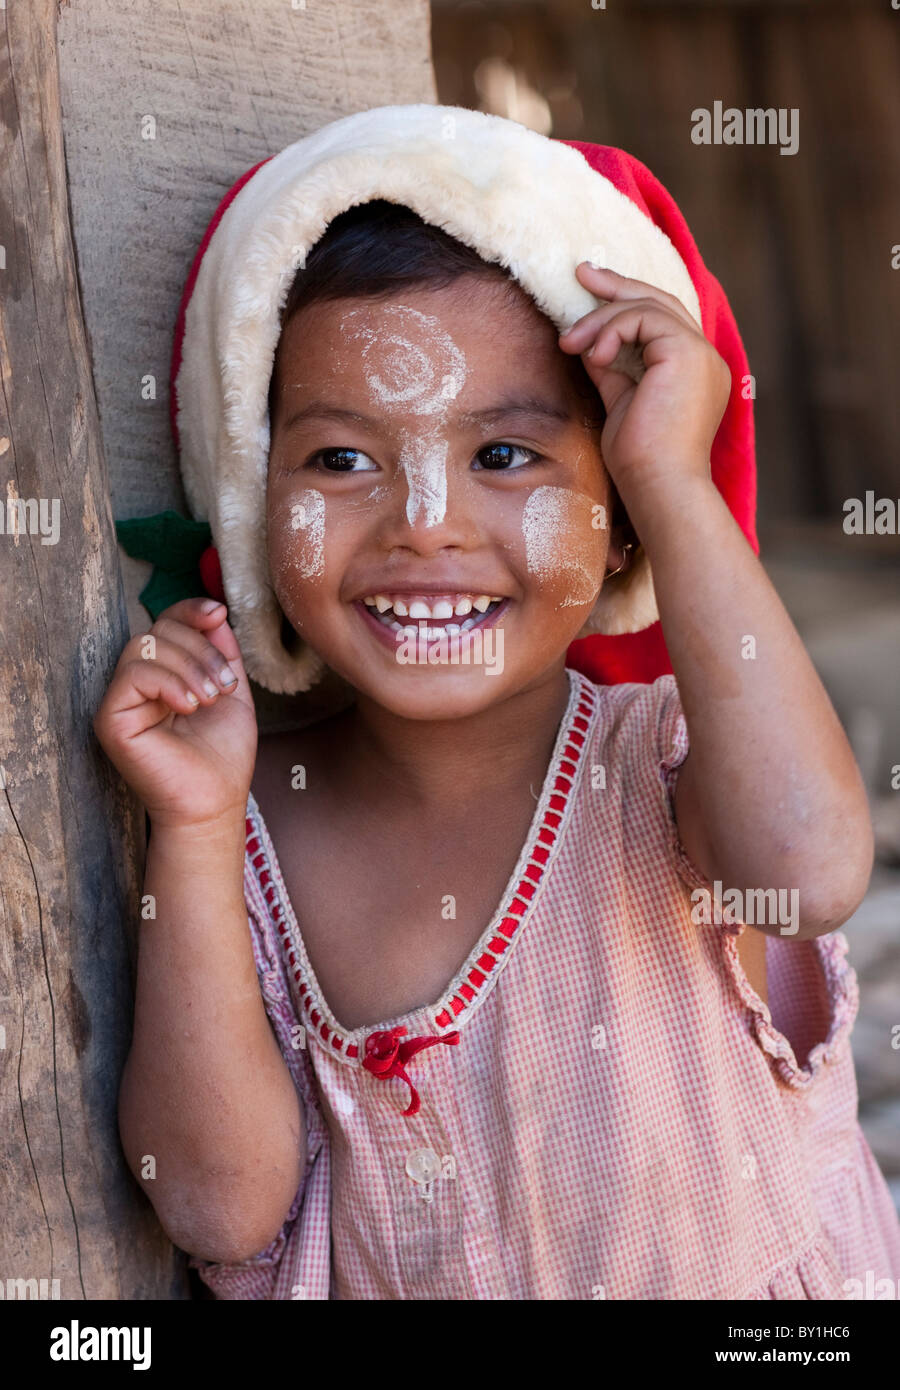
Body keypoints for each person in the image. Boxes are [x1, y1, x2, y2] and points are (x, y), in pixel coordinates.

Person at [93, 104, 900, 1299]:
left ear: (620, 514)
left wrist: (676, 477)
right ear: (254, 506)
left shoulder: (670, 770)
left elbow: (812, 870)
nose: (426, 523)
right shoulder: (247, 826)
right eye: (344, 459)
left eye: (507, 455)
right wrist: (199, 829)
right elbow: (217, 1206)